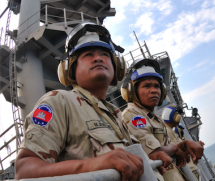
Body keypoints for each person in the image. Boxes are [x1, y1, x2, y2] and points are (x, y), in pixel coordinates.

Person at [15, 22, 171, 181]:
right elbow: (24, 170)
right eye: (87, 55)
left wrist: (148, 158)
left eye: (105, 54)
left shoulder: (115, 114)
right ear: (70, 69)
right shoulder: (60, 101)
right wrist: (94, 165)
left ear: (117, 66)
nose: (97, 58)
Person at [120, 58, 204, 181]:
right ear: (132, 92)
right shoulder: (132, 114)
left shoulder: (153, 118)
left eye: (157, 86)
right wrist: (175, 148)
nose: (154, 90)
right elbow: (153, 152)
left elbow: (165, 147)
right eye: (146, 86)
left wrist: (184, 144)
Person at [161, 105, 205, 180]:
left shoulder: (171, 130)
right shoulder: (167, 131)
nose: (179, 117)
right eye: (177, 114)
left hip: (189, 169)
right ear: (172, 116)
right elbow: (177, 152)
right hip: (187, 170)